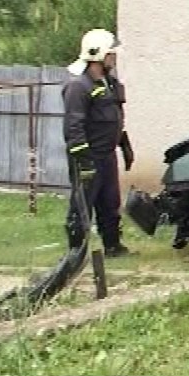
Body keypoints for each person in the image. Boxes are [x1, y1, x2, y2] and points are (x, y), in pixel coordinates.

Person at [62, 28, 136, 258]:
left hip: (107, 155)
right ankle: (76, 252)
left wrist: (123, 143)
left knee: (110, 202)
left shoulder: (109, 83)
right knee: (83, 204)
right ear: (99, 55)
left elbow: (114, 117)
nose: (114, 59)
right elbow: (73, 127)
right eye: (111, 54)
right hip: (88, 156)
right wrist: (84, 162)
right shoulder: (78, 86)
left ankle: (113, 246)